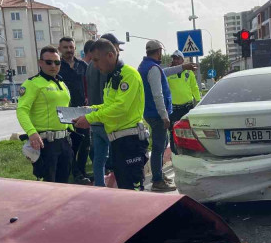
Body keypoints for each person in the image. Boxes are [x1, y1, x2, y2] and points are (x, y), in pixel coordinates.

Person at [73, 38, 149, 191]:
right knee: (123, 188)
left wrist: (90, 118)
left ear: (109, 55)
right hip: (118, 141)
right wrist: (90, 109)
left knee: (132, 191)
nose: (94, 65)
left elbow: (121, 108)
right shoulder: (113, 76)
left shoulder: (128, 75)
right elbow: (109, 105)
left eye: (96, 60)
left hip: (130, 141)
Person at [138, 40, 196, 192]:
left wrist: (184, 66)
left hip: (151, 112)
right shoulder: (152, 69)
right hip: (157, 114)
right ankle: (157, 180)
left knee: (162, 144)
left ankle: (159, 174)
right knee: (158, 147)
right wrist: (164, 117)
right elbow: (158, 95)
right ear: (159, 52)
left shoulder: (147, 66)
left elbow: (166, 72)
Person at [16, 45, 73, 183]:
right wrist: (31, 132)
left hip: (65, 141)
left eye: (57, 62)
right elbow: (22, 110)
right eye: (49, 62)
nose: (53, 65)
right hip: (46, 143)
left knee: (65, 184)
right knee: (49, 187)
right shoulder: (33, 83)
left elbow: (64, 109)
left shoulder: (61, 83)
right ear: (40, 63)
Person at [85, 34, 119, 187]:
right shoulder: (106, 68)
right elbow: (106, 92)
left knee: (99, 158)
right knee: (115, 155)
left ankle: (99, 187)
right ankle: (119, 185)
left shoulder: (90, 65)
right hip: (105, 116)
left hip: (94, 116)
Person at [58, 37, 91, 185]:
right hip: (65, 111)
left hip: (82, 109)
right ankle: (75, 173)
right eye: (65, 47)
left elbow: (90, 83)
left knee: (85, 142)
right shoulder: (57, 66)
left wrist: (89, 98)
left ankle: (82, 171)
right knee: (71, 144)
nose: (69, 50)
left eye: (71, 47)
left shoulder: (82, 65)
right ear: (60, 49)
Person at [166, 50, 200, 155]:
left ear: (182, 60)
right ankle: (175, 153)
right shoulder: (169, 73)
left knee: (190, 131)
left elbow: (194, 87)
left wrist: (198, 101)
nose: (175, 61)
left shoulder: (189, 72)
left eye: (177, 58)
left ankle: (191, 152)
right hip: (174, 109)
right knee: (173, 131)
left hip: (187, 107)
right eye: (174, 58)